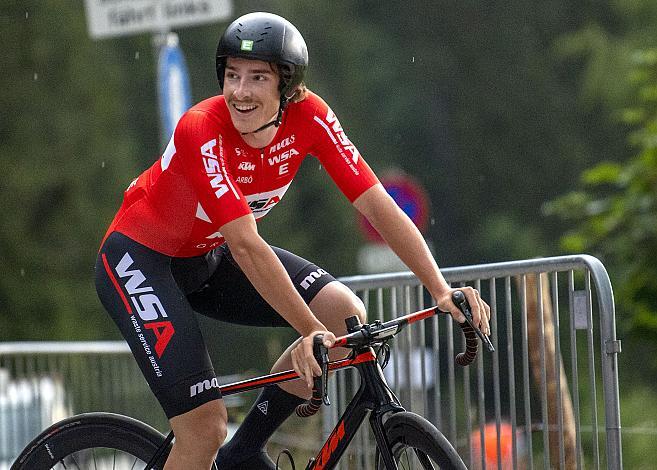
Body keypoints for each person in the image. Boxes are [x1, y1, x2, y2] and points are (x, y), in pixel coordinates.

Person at [94, 11, 491, 470]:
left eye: (257, 78)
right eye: (231, 75)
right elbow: (245, 245)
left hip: (206, 256)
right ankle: (221, 443)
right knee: (203, 427)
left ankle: (245, 449)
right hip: (141, 260)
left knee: (346, 317)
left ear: (288, 87)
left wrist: (440, 289)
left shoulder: (312, 117)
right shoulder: (201, 128)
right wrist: (307, 330)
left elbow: (379, 205)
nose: (240, 92)